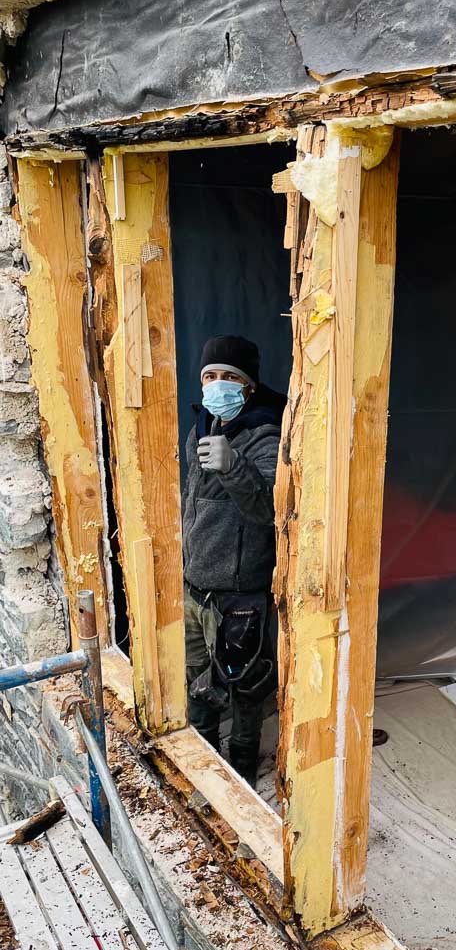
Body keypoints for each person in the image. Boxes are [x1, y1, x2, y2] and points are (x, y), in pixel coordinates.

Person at [181, 334, 286, 785]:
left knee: (246, 687)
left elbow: (269, 510)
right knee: (198, 686)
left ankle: (242, 768)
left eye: (230, 377)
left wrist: (233, 465)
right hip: (196, 587)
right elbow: (192, 504)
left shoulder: (267, 433)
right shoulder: (200, 427)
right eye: (210, 376)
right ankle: (204, 767)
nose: (218, 385)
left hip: (240, 593)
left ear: (249, 386)